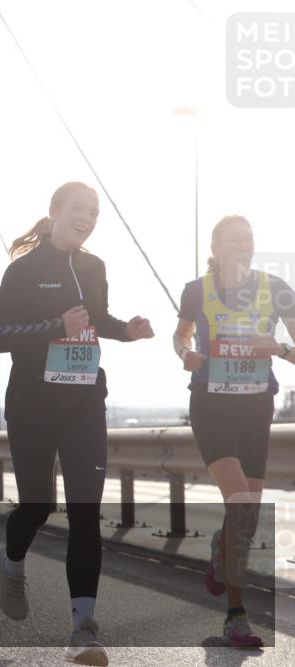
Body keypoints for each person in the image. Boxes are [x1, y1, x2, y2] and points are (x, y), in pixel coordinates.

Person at [0, 181, 153, 666]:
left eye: (94, 211)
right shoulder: (24, 270)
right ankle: (11, 562)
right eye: (79, 208)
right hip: (33, 404)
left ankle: (84, 629)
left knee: (84, 511)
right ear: (55, 212)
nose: (87, 217)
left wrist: (126, 331)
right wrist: (56, 327)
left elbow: (95, 317)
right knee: (37, 506)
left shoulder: (95, 266)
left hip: (83, 402)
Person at [173, 215, 295, 648]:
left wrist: (279, 348)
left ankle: (222, 545)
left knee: (244, 518)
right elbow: (181, 336)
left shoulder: (276, 290)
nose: (245, 246)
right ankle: (236, 619)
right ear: (217, 247)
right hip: (211, 405)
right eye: (235, 240)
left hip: (255, 408)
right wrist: (185, 354)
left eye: (250, 239)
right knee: (241, 501)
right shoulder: (196, 290)